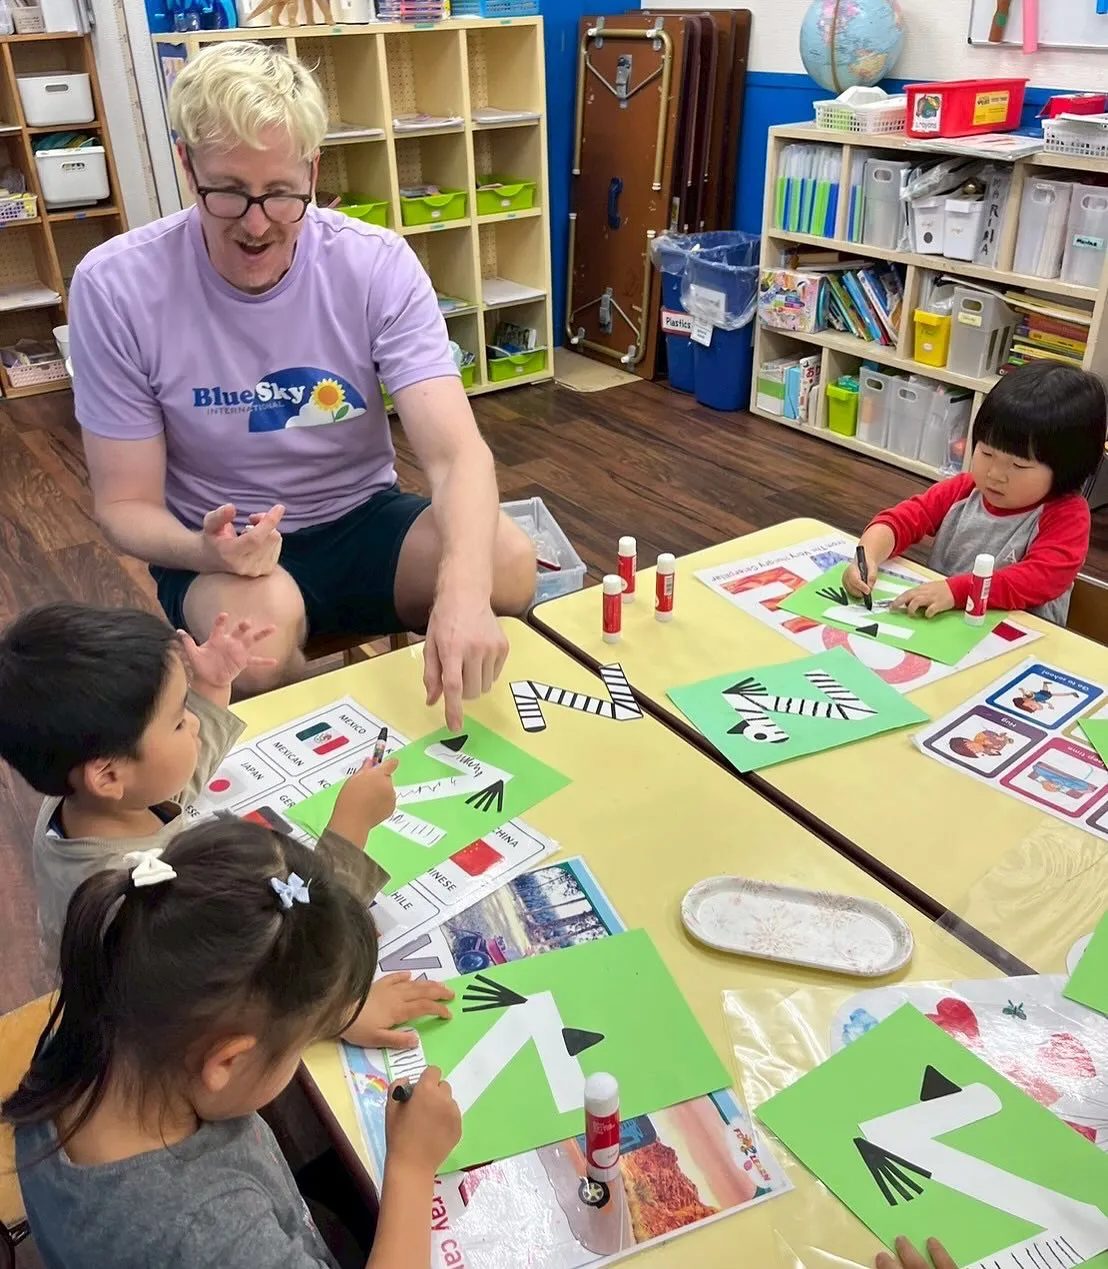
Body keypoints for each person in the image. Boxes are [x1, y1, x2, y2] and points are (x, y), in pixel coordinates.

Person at [69, 41, 536, 727]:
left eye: (283, 195)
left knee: (507, 564)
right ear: (186, 166)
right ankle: (337, 760)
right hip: (222, 550)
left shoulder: (373, 264)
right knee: (255, 653)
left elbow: (457, 455)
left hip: (363, 519)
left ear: (313, 172)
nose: (257, 225)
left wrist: (462, 596)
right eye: (228, 192)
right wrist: (207, 548)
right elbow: (124, 505)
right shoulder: (117, 286)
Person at [2, 820, 462, 1269]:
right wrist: (412, 1169)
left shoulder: (99, 1020)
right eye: (295, 1047)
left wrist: (319, 1014)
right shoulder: (215, 1236)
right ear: (227, 1058)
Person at [0, 603, 398, 962]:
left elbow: (162, 780)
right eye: (178, 720)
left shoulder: (82, 803)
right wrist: (351, 827)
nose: (193, 722)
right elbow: (291, 953)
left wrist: (210, 687)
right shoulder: (153, 896)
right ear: (107, 774)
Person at [845, 362, 1107, 625]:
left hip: (1018, 639)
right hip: (946, 623)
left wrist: (957, 591)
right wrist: (868, 554)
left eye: (1018, 465)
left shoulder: (1065, 514)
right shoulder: (966, 489)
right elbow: (902, 520)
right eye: (986, 453)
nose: (994, 474)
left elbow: (1041, 578)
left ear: (1067, 469)